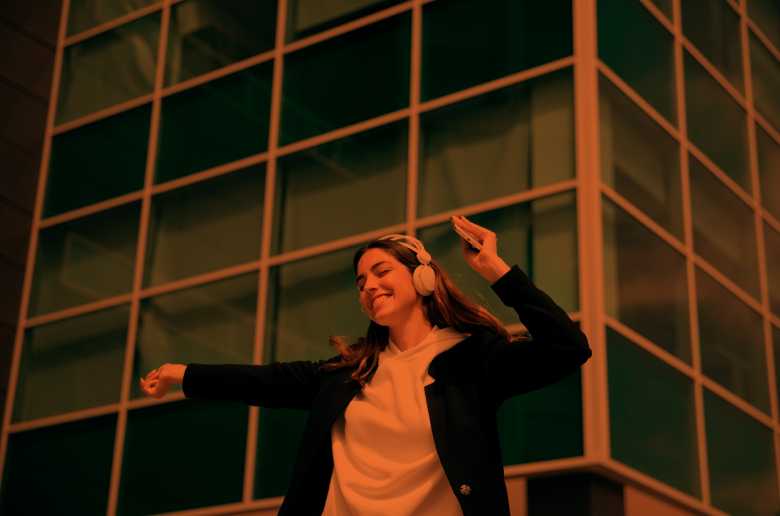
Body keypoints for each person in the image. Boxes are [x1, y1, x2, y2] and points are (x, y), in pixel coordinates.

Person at [140, 216, 591, 516]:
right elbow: (263, 381)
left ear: (422, 276)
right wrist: (180, 373)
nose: (369, 287)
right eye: (361, 282)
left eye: (381, 272)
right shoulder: (346, 374)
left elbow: (567, 347)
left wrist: (495, 268)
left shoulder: (474, 359)